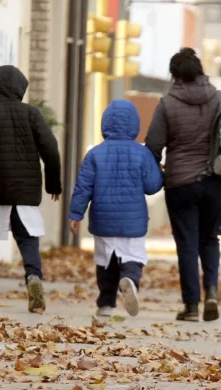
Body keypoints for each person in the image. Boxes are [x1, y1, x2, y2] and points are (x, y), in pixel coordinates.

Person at [145, 47, 221, 323]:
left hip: (181, 184)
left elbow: (153, 145)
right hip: (218, 182)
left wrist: (162, 172)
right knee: (210, 239)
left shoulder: (167, 104)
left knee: (187, 245)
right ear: (200, 71)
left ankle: (190, 307)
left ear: (174, 75)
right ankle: (211, 293)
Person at [0, 65, 62, 313]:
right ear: (20, 88)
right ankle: (33, 278)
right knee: (28, 241)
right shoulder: (32, 115)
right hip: (26, 193)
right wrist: (53, 184)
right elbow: (51, 150)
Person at [69, 99, 163, 319]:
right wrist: (162, 174)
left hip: (103, 220)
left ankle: (105, 303)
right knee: (133, 256)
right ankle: (130, 280)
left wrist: (76, 214)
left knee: (105, 262)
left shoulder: (94, 154)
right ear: (135, 124)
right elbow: (151, 187)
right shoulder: (142, 154)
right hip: (133, 220)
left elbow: (83, 187)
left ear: (105, 123)